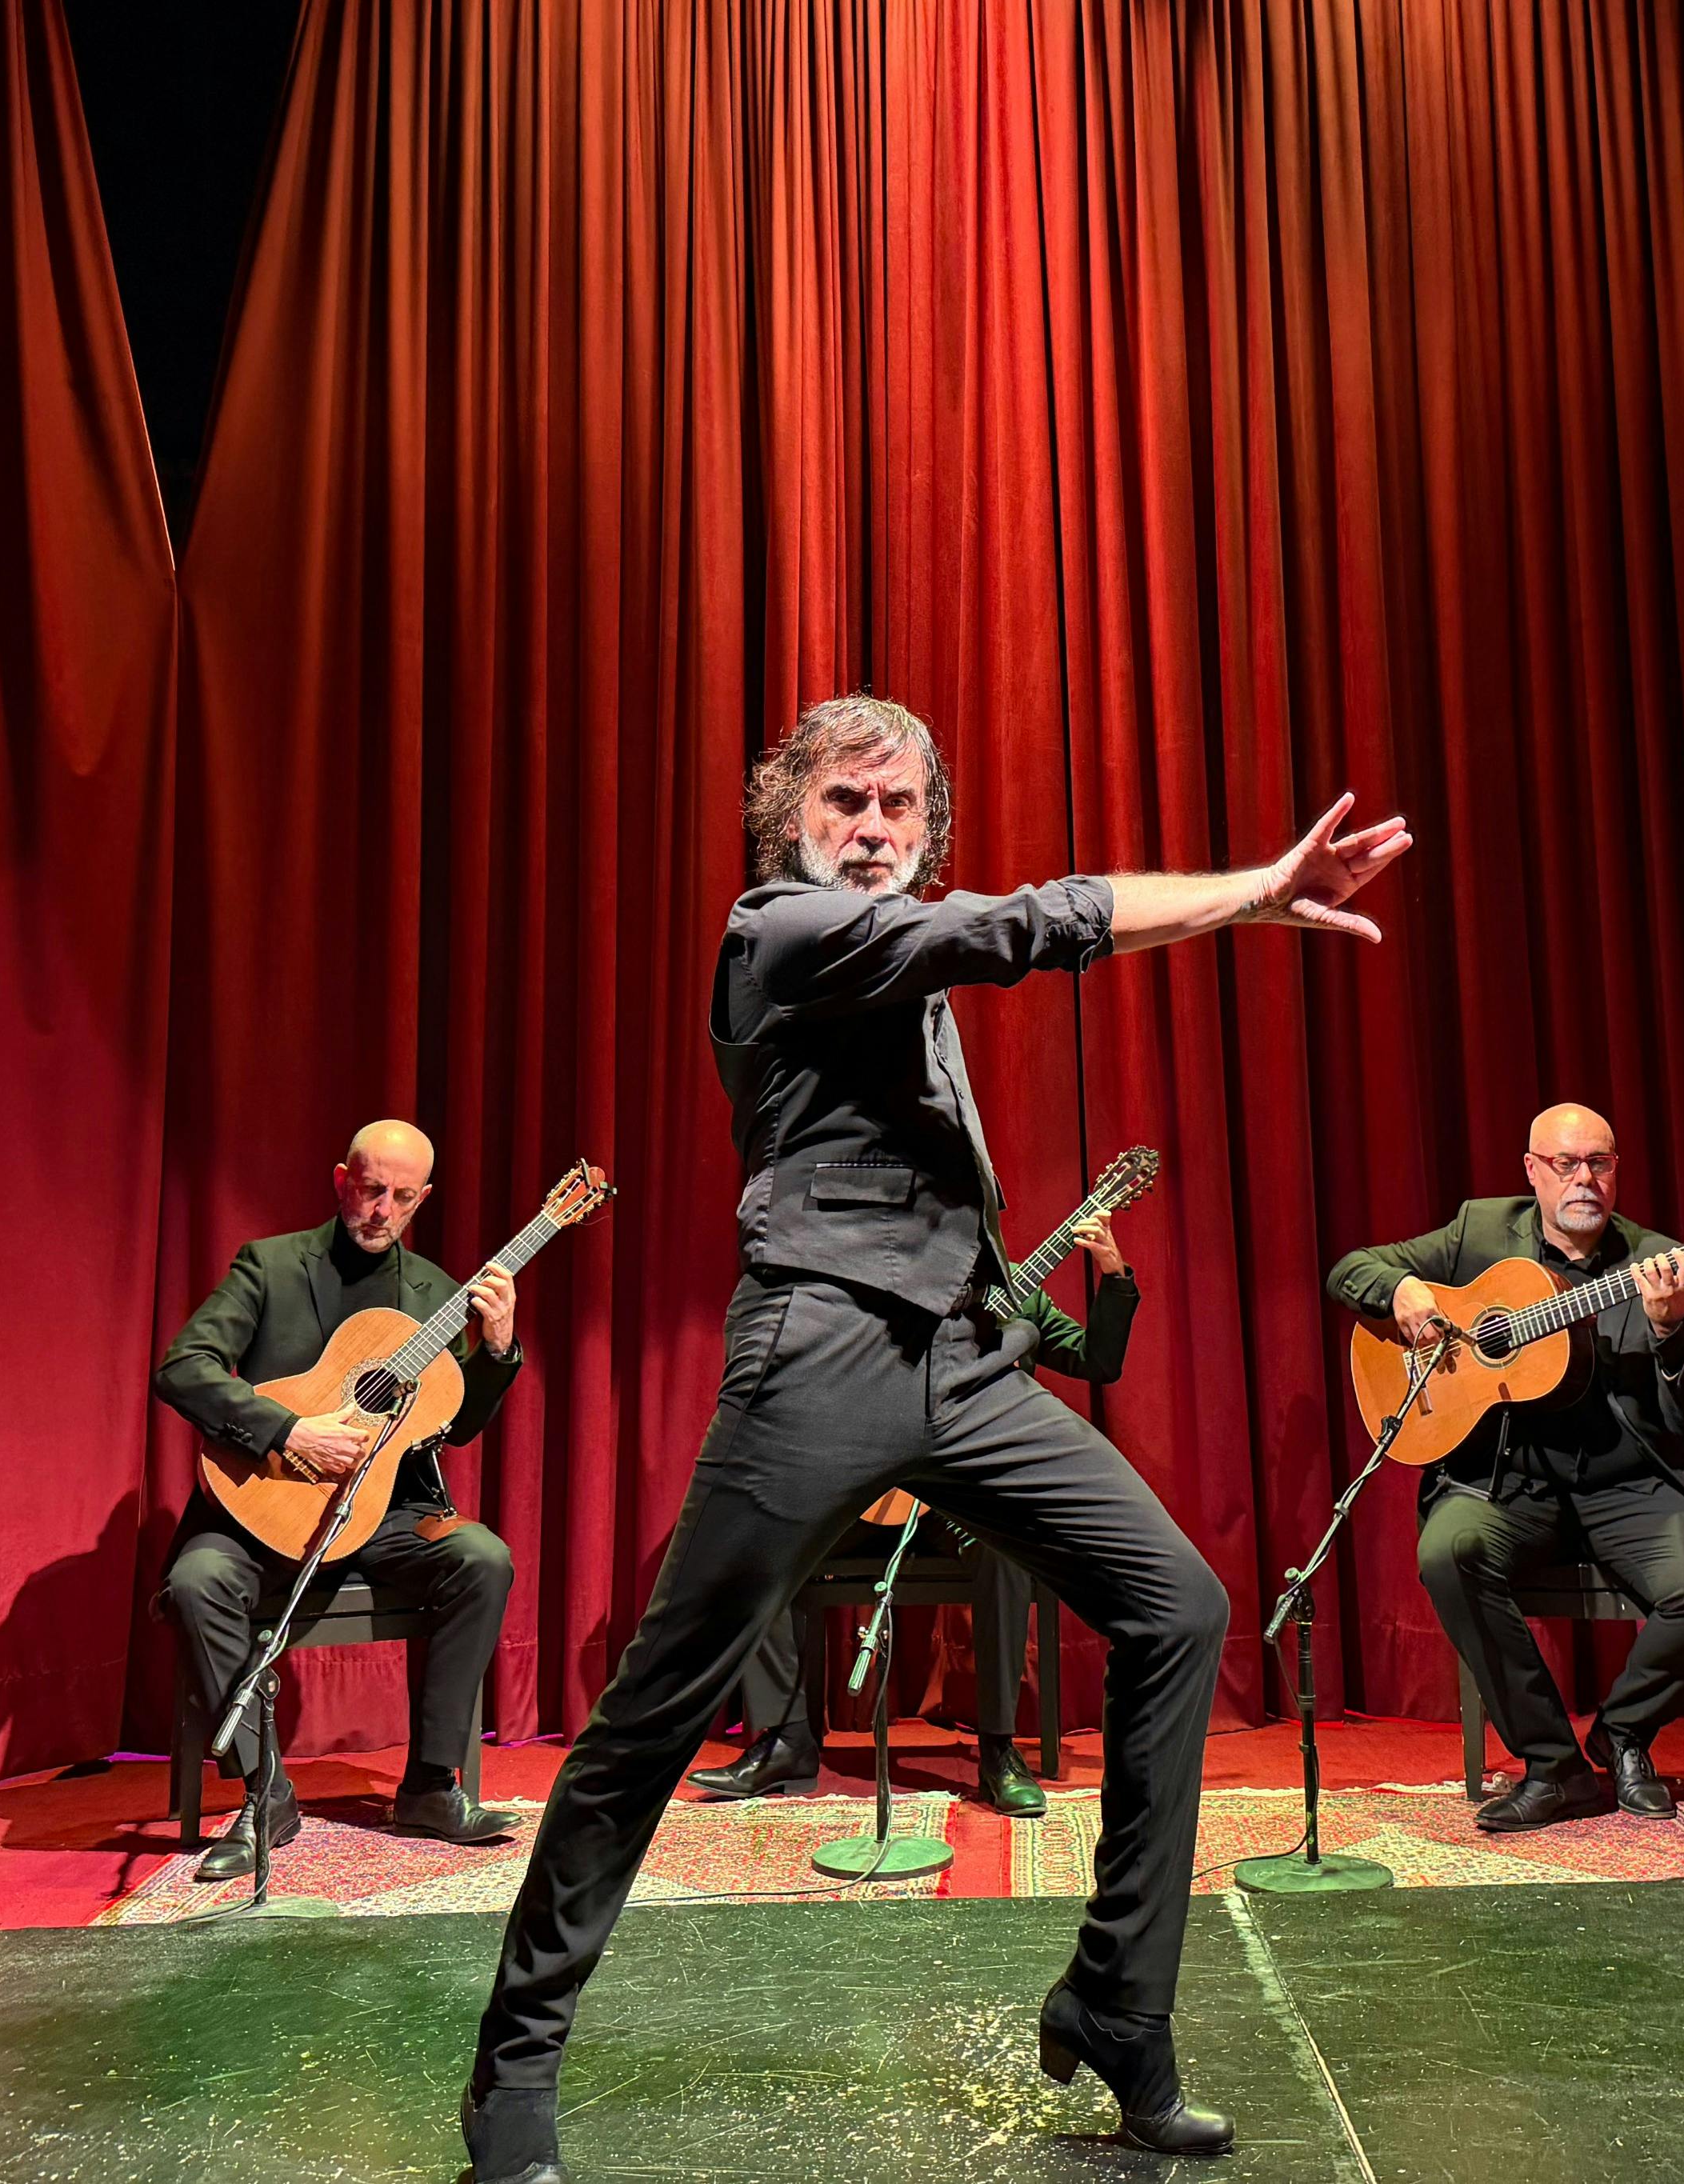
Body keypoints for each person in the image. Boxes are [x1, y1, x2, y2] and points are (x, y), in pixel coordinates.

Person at [460, 693, 1409, 2184]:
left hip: (960, 1359)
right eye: (848, 801)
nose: (875, 831)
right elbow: (1017, 929)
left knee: (1180, 1607)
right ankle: (513, 2072)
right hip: (818, 1351)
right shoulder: (773, 932)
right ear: (791, 818)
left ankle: (1116, 2004)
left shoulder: (894, 949)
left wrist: (1007, 1312)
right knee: (653, 1712)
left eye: (901, 811)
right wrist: (1254, 894)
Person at [1326, 1105, 1684, 1830]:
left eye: (1601, 1164)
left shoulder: (1660, 1260)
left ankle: (1622, 1735)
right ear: (1532, 1171)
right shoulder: (1479, 1232)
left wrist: (1671, 1332)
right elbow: (1348, 1269)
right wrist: (1401, 1292)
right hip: (1509, 1479)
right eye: (1566, 1164)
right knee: (1448, 1551)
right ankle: (1553, 1768)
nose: (1585, 1179)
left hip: (1630, 1481)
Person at [152, 1121, 523, 1880]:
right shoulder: (271, 1266)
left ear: (424, 1199)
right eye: (369, 1189)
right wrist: (290, 1429)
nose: (382, 1209)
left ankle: (428, 1788)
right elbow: (182, 1367)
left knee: (482, 1559)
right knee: (196, 1584)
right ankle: (268, 1794)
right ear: (339, 1180)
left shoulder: (435, 1295)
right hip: (266, 1504)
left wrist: (494, 1350)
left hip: (380, 1511)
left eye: (402, 1196)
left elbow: (458, 1424)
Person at [689, 1211, 1141, 1817]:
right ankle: (783, 1740)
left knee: (1007, 1549)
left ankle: (999, 1751)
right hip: (870, 1493)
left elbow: (1098, 1361)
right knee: (763, 1543)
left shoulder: (1023, 1296)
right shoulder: (880, 1294)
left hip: (958, 1504)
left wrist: (1113, 1275)